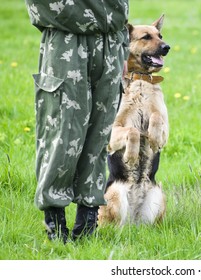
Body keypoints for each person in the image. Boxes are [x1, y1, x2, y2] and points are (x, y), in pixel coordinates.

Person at [25, 0, 130, 243]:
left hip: (110, 45)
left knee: (99, 137)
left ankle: (87, 227)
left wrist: (122, 45)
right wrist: (98, 14)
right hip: (67, 44)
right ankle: (56, 230)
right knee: (62, 135)